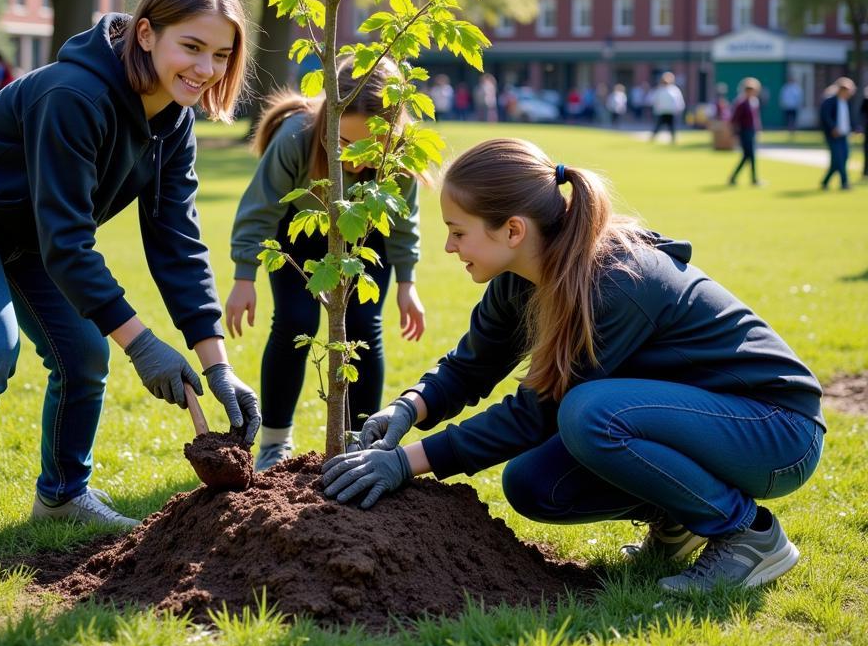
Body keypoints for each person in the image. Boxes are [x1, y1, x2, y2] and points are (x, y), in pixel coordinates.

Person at [321, 137, 824, 594]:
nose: (449, 247)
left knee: (589, 415)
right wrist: (408, 408)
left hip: (775, 431)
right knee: (535, 486)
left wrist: (406, 462)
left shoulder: (617, 279)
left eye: (457, 231)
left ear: (512, 229)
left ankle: (747, 535)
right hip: (704, 426)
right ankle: (682, 518)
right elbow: (470, 367)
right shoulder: (517, 281)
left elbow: (538, 412)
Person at [0, 0, 261, 569]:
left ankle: (63, 495)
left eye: (221, 55)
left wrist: (216, 363)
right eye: (191, 46)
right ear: (146, 34)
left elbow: (176, 238)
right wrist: (144, 344)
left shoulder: (173, 117)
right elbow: (68, 244)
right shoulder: (75, 95)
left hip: (31, 232)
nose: (206, 69)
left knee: (84, 355)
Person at [226, 57, 426, 472]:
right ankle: (275, 443)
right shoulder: (295, 136)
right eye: (343, 145)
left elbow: (403, 222)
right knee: (295, 323)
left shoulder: (401, 154)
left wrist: (407, 283)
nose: (353, 161)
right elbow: (259, 208)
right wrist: (244, 276)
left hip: (366, 239)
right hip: (298, 234)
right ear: (328, 119)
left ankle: (358, 446)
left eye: (366, 148)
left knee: (362, 330)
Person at [819, 77, 856, 191]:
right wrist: (833, 128)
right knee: (839, 158)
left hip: (844, 135)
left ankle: (825, 182)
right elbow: (825, 117)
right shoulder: (830, 101)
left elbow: (848, 119)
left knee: (841, 159)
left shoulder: (846, 103)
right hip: (833, 135)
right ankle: (844, 183)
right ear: (841, 90)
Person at [728, 78, 763, 187]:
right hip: (744, 132)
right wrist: (735, 133)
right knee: (750, 155)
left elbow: (756, 118)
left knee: (747, 156)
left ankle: (734, 177)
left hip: (751, 131)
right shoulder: (741, 103)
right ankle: (753, 179)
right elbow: (734, 120)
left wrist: (758, 130)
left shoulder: (754, 102)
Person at [650, 72, 685, 143]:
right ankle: (652, 138)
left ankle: (673, 140)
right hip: (662, 111)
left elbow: (678, 101)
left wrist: (679, 108)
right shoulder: (659, 90)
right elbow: (654, 100)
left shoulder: (674, 90)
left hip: (671, 112)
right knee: (658, 126)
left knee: (672, 127)